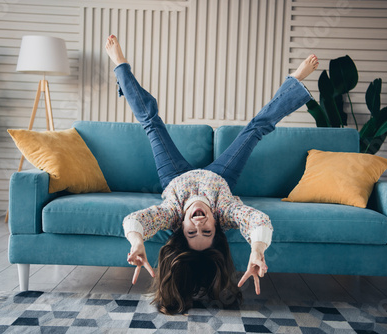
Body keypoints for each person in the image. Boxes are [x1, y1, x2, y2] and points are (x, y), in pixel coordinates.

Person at [105, 35, 318, 314]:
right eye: (207, 231)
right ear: (217, 226)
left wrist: (137, 241)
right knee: (256, 128)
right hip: (219, 177)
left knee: (150, 122)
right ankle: (295, 83)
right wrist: (257, 248)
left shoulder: (171, 211)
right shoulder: (225, 210)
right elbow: (257, 220)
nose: (199, 223)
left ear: (181, 227)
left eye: (192, 232)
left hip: (175, 177)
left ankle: (120, 66)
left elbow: (136, 220)